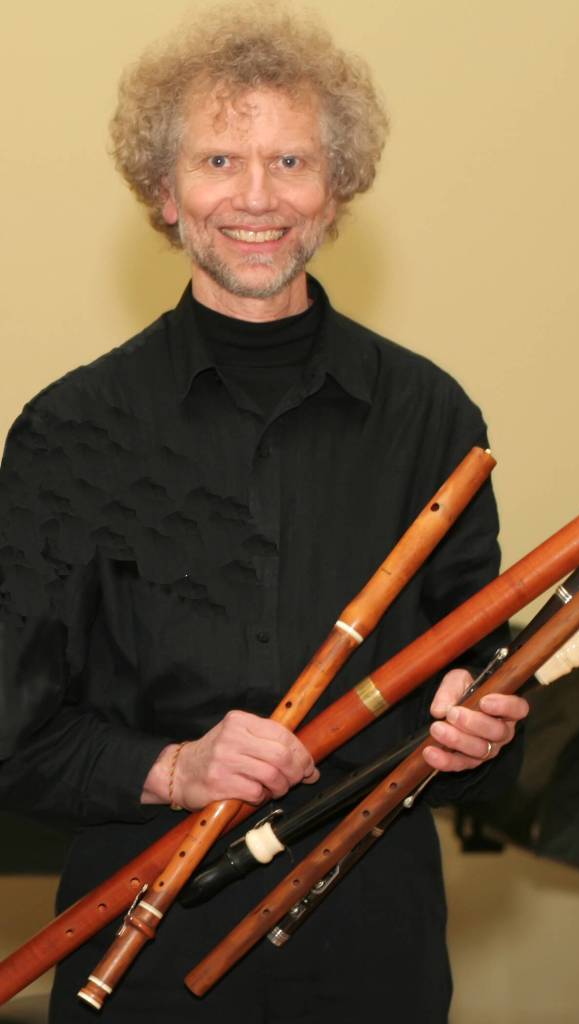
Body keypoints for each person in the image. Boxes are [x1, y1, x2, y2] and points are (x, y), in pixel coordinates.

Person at [0, 6, 528, 1022]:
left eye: (291, 161)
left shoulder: (430, 416)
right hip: (143, 948)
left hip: (374, 949)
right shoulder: (70, 430)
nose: (256, 197)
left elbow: (481, 688)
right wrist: (170, 767)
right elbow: (13, 730)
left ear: (337, 192)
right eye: (217, 161)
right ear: (164, 193)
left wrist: (481, 728)